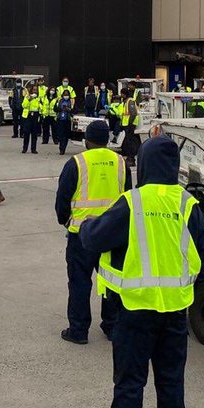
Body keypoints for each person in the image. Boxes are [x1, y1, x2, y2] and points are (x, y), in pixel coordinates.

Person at [80, 135, 204, 408]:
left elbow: (95, 239)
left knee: (129, 387)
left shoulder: (132, 202)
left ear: (145, 164)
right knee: (171, 387)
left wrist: (86, 225)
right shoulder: (187, 204)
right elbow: (202, 257)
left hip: (134, 312)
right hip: (175, 314)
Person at [56, 120, 131, 344]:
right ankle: (112, 326)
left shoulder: (77, 163)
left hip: (82, 234)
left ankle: (78, 330)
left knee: (79, 282)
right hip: (112, 234)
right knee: (110, 282)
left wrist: (64, 220)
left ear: (86, 140)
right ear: (107, 139)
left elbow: (63, 197)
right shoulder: (120, 162)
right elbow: (128, 196)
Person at [117, 87, 141, 168]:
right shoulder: (126, 101)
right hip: (127, 124)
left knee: (130, 143)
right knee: (127, 142)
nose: (121, 95)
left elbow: (133, 113)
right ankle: (129, 158)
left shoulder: (130, 101)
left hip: (130, 125)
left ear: (124, 94)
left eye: (122, 94)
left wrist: (130, 123)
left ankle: (132, 159)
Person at [21, 83, 42, 154]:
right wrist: (29, 99)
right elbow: (23, 105)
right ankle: (25, 148)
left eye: (36, 90)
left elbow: (41, 107)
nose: (35, 91)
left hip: (35, 115)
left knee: (34, 133)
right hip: (28, 115)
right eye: (34, 90)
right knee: (26, 133)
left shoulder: (39, 98)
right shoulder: (27, 96)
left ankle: (33, 149)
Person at [55, 89, 75, 156]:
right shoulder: (59, 100)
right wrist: (61, 109)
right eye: (65, 94)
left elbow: (75, 110)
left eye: (67, 94)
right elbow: (55, 109)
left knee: (66, 136)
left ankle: (63, 148)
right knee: (61, 135)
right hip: (60, 119)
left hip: (68, 120)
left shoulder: (71, 101)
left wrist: (69, 109)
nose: (66, 96)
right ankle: (61, 148)